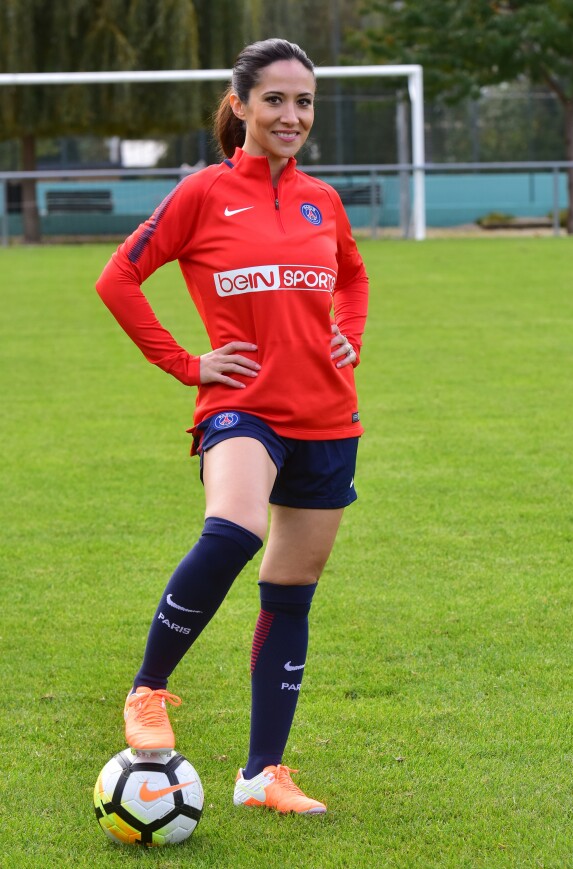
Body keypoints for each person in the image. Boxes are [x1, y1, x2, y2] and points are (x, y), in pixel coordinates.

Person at [96, 37, 369, 816]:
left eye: (305, 101)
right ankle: (148, 688)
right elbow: (118, 278)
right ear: (241, 105)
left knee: (290, 594)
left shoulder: (323, 197)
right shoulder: (204, 194)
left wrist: (349, 330)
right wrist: (188, 364)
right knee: (236, 526)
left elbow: (351, 273)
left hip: (328, 412)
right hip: (242, 406)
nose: (292, 114)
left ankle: (262, 775)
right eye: (276, 99)